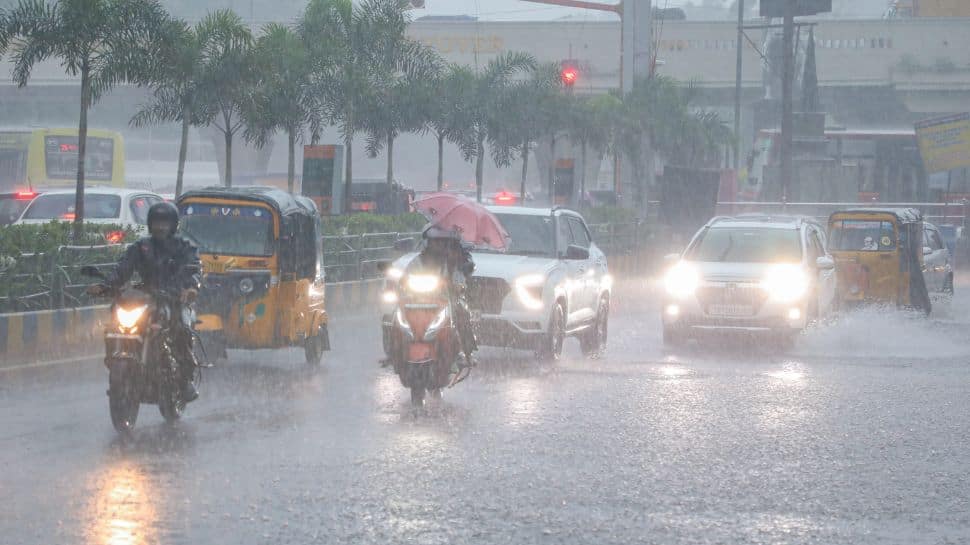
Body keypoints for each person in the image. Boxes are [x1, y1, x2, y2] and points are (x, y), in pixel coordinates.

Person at [88, 202, 202, 402]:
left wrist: (190, 288)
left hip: (174, 298)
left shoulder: (184, 247)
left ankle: (185, 381)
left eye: (165, 223)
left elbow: (193, 270)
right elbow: (122, 269)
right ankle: (115, 359)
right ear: (150, 223)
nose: (160, 227)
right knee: (116, 318)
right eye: (157, 222)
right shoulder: (140, 247)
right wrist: (105, 285)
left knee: (181, 329)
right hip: (147, 295)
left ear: (173, 225)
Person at [413, 225, 478, 367]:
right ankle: (395, 351)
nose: (438, 245)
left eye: (443, 241)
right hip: (418, 300)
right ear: (427, 242)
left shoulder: (455, 260)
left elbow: (461, 276)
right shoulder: (418, 260)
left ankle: (466, 351)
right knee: (395, 316)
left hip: (447, 299)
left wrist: (457, 284)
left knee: (461, 312)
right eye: (434, 241)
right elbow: (406, 278)